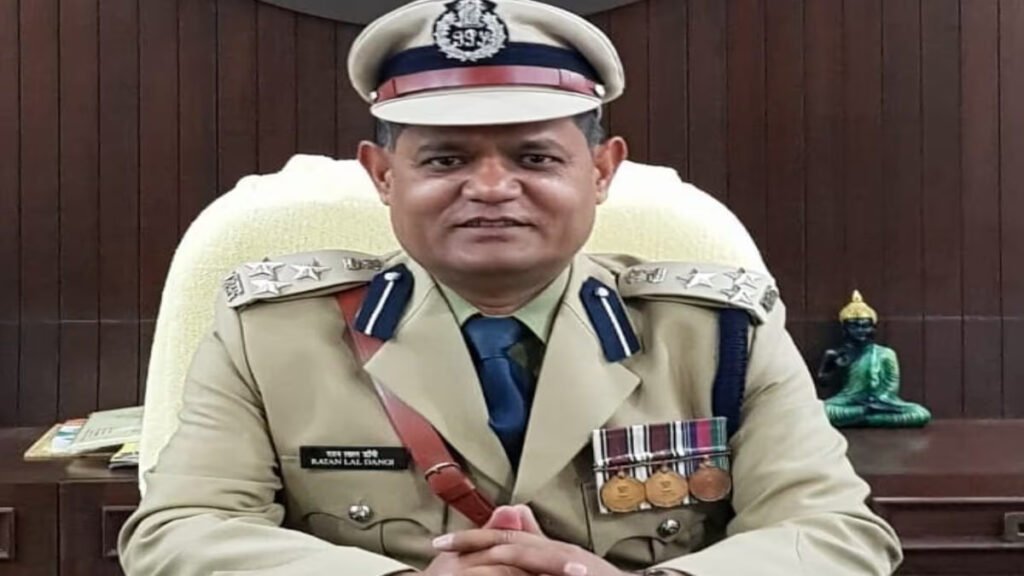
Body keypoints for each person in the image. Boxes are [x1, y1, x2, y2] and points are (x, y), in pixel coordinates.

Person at [118, 1, 902, 575]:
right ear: (382, 176)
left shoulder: (720, 332)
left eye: (534, 158)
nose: (492, 189)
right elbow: (180, 531)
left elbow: (837, 534)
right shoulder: (270, 333)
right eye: (446, 159)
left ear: (602, 171)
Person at [818, 290, 932, 428]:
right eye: (854, 326)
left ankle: (861, 419)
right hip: (849, 402)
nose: (860, 331)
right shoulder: (838, 354)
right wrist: (828, 365)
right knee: (821, 411)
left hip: (880, 403)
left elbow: (891, 389)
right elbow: (823, 382)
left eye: (865, 326)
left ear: (874, 329)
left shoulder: (886, 354)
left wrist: (879, 401)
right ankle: (870, 417)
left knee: (921, 413)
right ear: (844, 330)